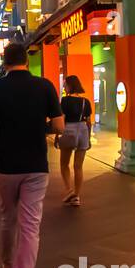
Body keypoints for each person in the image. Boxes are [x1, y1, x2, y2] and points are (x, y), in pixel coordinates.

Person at [0, 42, 63, 268]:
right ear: (26, 60)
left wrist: (1, 125)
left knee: (8, 218)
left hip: (6, 165)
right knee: (30, 228)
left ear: (4, 62)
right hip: (36, 166)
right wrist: (39, 126)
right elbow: (59, 124)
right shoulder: (44, 86)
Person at [58, 75, 93, 206]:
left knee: (64, 164)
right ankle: (77, 196)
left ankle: (69, 190)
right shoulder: (86, 101)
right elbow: (89, 122)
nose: (64, 86)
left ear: (70, 86)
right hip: (83, 130)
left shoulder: (65, 101)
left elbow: (62, 119)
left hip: (69, 130)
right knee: (78, 166)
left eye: (65, 84)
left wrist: (57, 135)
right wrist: (88, 138)